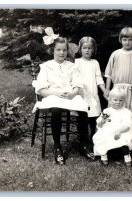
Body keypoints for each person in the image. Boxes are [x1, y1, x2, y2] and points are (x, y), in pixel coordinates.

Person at [32, 36, 95, 165]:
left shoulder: (72, 66)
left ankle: (83, 144)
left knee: (82, 107)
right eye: (58, 50)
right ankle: (57, 145)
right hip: (52, 95)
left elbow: (77, 84)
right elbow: (41, 90)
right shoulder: (46, 66)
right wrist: (56, 93)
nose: (61, 53)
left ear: (67, 51)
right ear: (52, 51)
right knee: (56, 110)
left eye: (64, 50)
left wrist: (73, 93)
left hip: (69, 95)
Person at [92, 87, 132, 166]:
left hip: (122, 131)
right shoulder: (107, 111)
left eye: (121, 100)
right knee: (101, 136)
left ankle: (126, 155)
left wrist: (120, 131)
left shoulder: (126, 112)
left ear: (124, 101)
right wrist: (102, 121)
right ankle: (103, 153)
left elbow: (128, 126)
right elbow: (99, 125)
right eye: (115, 100)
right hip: (108, 131)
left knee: (124, 138)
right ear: (110, 100)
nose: (118, 102)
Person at [74, 36, 107, 143]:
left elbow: (99, 78)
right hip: (82, 94)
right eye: (84, 48)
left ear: (93, 49)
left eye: (89, 48)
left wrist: (105, 90)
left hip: (93, 94)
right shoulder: (77, 62)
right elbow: (74, 78)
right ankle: (83, 140)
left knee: (94, 118)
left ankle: (94, 138)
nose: (87, 50)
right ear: (80, 49)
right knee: (83, 118)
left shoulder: (95, 63)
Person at [104, 27, 132, 111]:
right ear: (120, 40)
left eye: (130, 40)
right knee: (115, 113)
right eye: (125, 39)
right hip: (117, 90)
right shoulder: (115, 54)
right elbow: (109, 73)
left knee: (131, 114)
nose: (127, 42)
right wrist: (107, 89)